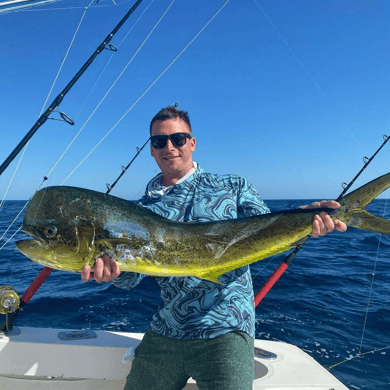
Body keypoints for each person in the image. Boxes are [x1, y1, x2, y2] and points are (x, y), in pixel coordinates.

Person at [81, 106, 347, 390]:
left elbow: (269, 230)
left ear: (192, 143)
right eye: (159, 141)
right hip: (167, 329)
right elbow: (132, 277)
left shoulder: (233, 186)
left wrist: (305, 217)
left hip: (227, 326)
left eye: (178, 139)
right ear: (151, 149)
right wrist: (111, 273)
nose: (169, 147)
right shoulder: (139, 211)